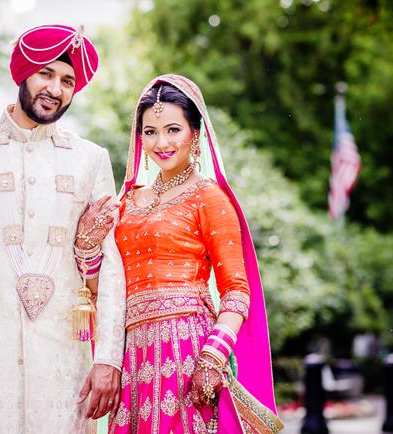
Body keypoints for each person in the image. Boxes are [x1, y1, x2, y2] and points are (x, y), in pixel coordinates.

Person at [0, 24, 126, 434]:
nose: (56, 88)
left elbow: (111, 264)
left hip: (64, 365)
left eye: (68, 80)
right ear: (22, 73)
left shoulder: (91, 160)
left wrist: (108, 358)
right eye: (46, 74)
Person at [88, 74, 282, 433]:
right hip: (132, 357)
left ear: (195, 133)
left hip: (187, 352)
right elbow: (105, 287)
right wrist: (87, 246)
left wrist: (213, 357)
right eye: (150, 132)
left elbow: (237, 291)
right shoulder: (127, 202)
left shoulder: (209, 198)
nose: (161, 142)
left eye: (173, 129)